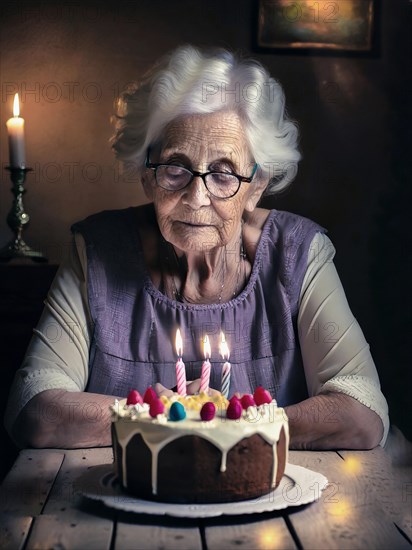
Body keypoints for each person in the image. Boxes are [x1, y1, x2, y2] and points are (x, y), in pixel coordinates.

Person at [5, 44, 388, 451]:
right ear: (147, 176)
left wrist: (225, 422)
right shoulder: (97, 250)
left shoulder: (298, 253)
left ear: (256, 187)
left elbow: (361, 413)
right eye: (175, 168)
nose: (197, 197)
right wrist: (175, 417)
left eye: (223, 175)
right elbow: (35, 411)